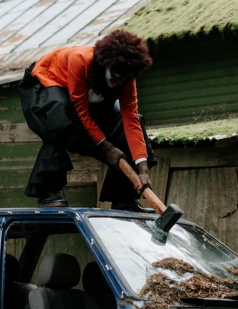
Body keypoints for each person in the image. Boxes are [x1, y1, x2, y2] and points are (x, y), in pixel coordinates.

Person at [18, 29, 157, 210]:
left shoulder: (126, 79)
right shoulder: (80, 59)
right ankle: (47, 191)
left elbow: (130, 118)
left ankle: (123, 198)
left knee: (132, 121)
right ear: (107, 63)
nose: (118, 81)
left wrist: (143, 170)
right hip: (46, 83)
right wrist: (107, 148)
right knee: (60, 116)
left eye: (124, 78)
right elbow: (80, 111)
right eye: (116, 74)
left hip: (86, 99)